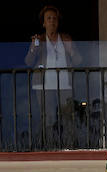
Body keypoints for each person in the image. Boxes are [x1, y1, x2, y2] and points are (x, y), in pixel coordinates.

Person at [24, 6, 82, 144]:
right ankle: (50, 145)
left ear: (58, 22)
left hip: (64, 84)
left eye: (54, 18)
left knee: (67, 116)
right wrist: (33, 48)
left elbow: (79, 61)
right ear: (44, 23)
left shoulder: (66, 38)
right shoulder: (39, 39)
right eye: (48, 18)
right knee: (48, 117)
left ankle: (69, 146)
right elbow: (28, 62)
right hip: (43, 85)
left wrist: (71, 50)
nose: (52, 21)